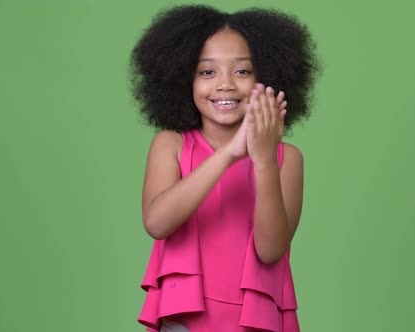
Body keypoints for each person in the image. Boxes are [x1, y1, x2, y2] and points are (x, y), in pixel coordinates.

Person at [129, 4, 320, 332]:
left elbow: (271, 249)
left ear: (267, 78)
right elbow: (157, 223)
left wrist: (262, 159)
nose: (226, 84)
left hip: (255, 321)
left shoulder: (286, 159)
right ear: (182, 78)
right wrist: (231, 153)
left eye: (242, 71)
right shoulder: (171, 145)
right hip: (183, 318)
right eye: (207, 72)